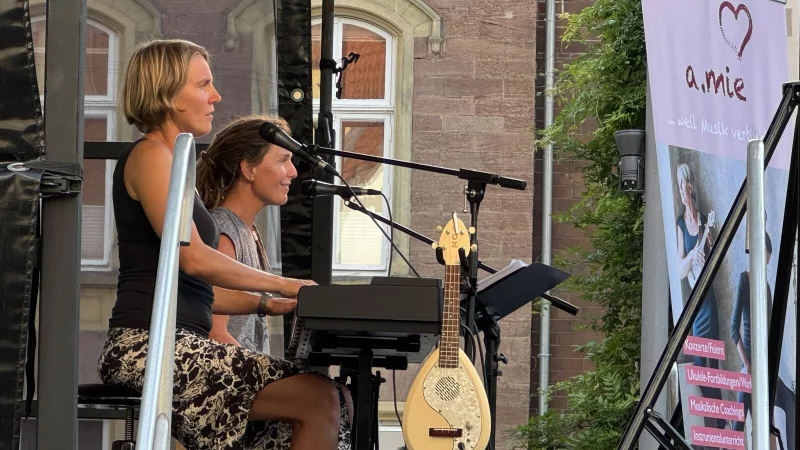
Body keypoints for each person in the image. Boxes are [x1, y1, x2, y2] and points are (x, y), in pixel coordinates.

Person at [97, 38, 352, 450]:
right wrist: (283, 284)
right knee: (320, 399)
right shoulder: (150, 156)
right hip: (145, 347)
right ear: (167, 94)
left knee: (326, 400)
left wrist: (265, 304)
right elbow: (193, 257)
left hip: (176, 342)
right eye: (203, 85)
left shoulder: (174, 160)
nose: (215, 96)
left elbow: (195, 291)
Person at [195, 114, 297, 353]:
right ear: (249, 169)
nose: (292, 171)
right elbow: (215, 332)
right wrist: (262, 384)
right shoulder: (224, 231)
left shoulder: (248, 231)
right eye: (283, 160)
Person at [730, 232, 795, 448]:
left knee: (790, 402)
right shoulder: (743, 281)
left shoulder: (765, 287)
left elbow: (768, 330)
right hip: (749, 368)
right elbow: (733, 330)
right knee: (741, 428)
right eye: (764, 261)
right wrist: (747, 366)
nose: (765, 267)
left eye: (767, 263)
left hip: (766, 368)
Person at [674, 163, 725, 429]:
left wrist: (710, 246)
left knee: (712, 367)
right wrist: (694, 254)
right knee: (700, 369)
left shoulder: (704, 219)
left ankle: (720, 430)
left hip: (709, 300)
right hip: (695, 306)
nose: (683, 193)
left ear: (691, 188)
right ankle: (715, 428)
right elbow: (680, 270)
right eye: (680, 188)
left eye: (685, 186)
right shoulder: (681, 225)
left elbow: (714, 259)